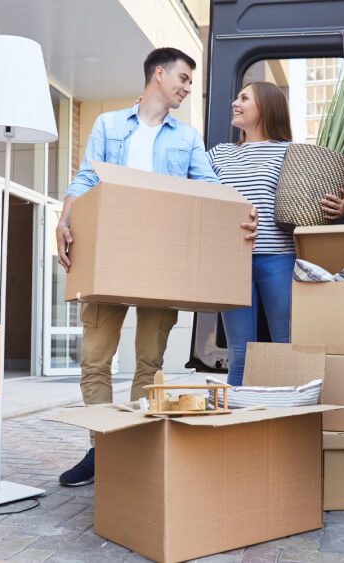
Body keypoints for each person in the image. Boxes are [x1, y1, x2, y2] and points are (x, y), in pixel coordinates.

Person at [56, 47, 258, 486]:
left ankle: (132, 446)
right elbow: (86, 178)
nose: (187, 88)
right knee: (94, 360)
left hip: (163, 261)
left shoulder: (185, 138)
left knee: (149, 362)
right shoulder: (109, 125)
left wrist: (240, 210)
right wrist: (66, 214)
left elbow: (208, 186)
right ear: (159, 74)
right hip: (109, 254)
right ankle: (101, 447)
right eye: (183, 79)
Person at [208, 81, 344, 385]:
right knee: (239, 355)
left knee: (286, 346)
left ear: (266, 107)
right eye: (237, 97)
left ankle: (288, 423)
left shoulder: (293, 153)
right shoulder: (218, 155)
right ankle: (237, 427)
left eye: (244, 98)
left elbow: (316, 203)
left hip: (279, 258)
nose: (235, 102)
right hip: (230, 262)